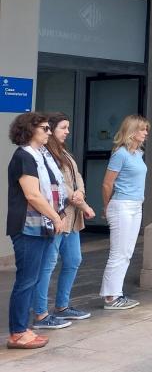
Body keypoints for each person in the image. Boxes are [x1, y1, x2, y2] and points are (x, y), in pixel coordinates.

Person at [7, 113, 68, 349]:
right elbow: (32, 194)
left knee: (32, 279)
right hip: (28, 227)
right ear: (30, 130)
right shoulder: (25, 157)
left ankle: (23, 329)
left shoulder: (40, 157)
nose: (49, 132)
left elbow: (52, 189)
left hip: (40, 226)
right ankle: (18, 332)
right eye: (45, 128)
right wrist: (55, 217)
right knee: (26, 280)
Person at [32, 113, 94, 329]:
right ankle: (40, 312)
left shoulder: (65, 153)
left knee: (74, 260)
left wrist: (81, 194)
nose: (67, 131)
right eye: (63, 128)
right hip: (58, 216)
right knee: (48, 265)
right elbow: (56, 183)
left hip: (73, 218)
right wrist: (80, 202)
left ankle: (62, 306)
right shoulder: (44, 154)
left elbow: (77, 178)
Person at [100, 114, 149, 310]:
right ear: (132, 131)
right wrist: (106, 206)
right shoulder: (120, 154)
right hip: (122, 205)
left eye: (146, 129)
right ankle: (111, 297)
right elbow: (107, 183)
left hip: (136, 205)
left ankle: (116, 293)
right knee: (119, 252)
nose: (145, 133)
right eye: (142, 129)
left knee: (127, 251)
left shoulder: (138, 154)